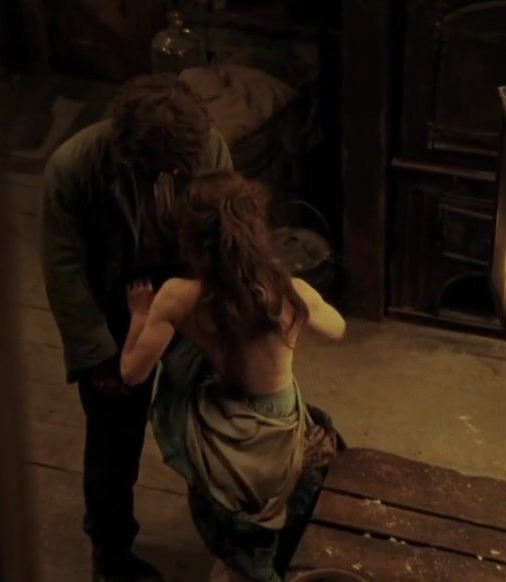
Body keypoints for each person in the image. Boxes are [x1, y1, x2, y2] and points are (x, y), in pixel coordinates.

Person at [41, 74, 232, 581]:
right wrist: (96, 355)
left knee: (218, 420)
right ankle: (110, 552)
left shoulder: (206, 146)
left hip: (186, 293)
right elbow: (63, 267)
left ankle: (230, 537)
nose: (182, 171)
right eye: (169, 165)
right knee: (113, 441)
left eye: (186, 161)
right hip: (120, 304)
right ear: (133, 152)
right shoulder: (75, 167)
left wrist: (224, 317)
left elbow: (224, 233)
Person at [119, 171, 346, 582]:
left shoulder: (177, 296)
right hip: (279, 439)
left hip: (220, 440)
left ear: (190, 239)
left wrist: (139, 314)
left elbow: (132, 374)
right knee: (323, 431)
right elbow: (338, 328)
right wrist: (298, 313)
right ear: (256, 228)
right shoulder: (290, 292)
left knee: (184, 366)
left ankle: (241, 556)